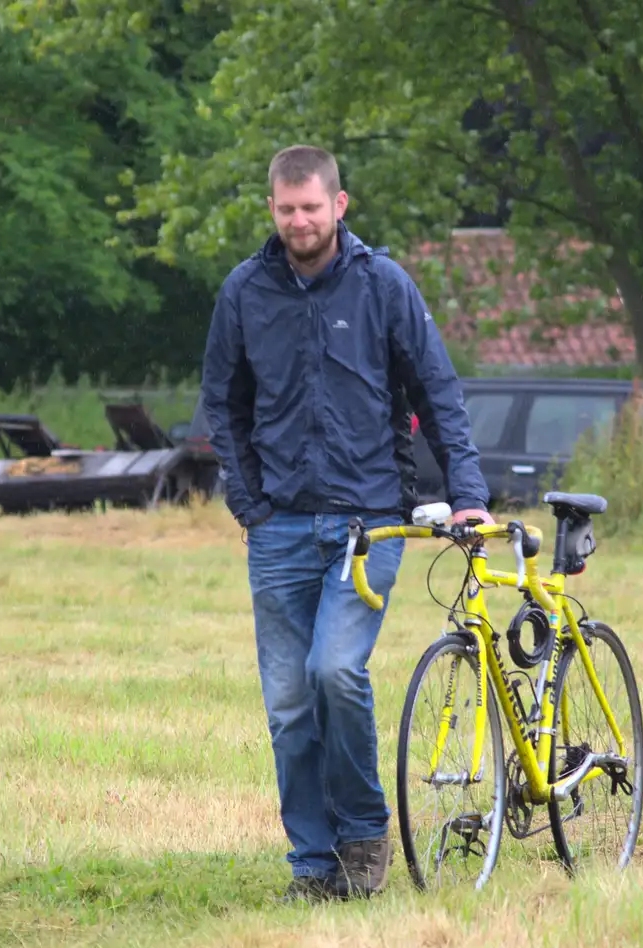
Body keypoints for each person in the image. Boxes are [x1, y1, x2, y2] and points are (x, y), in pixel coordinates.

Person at [200, 144, 493, 902]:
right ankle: (313, 865)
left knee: (335, 670)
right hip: (279, 530)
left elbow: (440, 392)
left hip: (369, 523)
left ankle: (364, 832)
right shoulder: (243, 293)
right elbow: (222, 407)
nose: (299, 220)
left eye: (311, 206)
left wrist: (467, 493)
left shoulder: (384, 286)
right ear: (272, 208)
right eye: (285, 207)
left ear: (340, 205)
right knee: (290, 703)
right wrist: (250, 505)